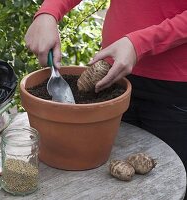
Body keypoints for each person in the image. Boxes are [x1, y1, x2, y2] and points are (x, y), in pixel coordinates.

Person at [25, 0, 187, 169]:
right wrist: (49, 12)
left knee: (167, 180)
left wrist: (139, 43)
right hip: (110, 78)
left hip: (174, 92)